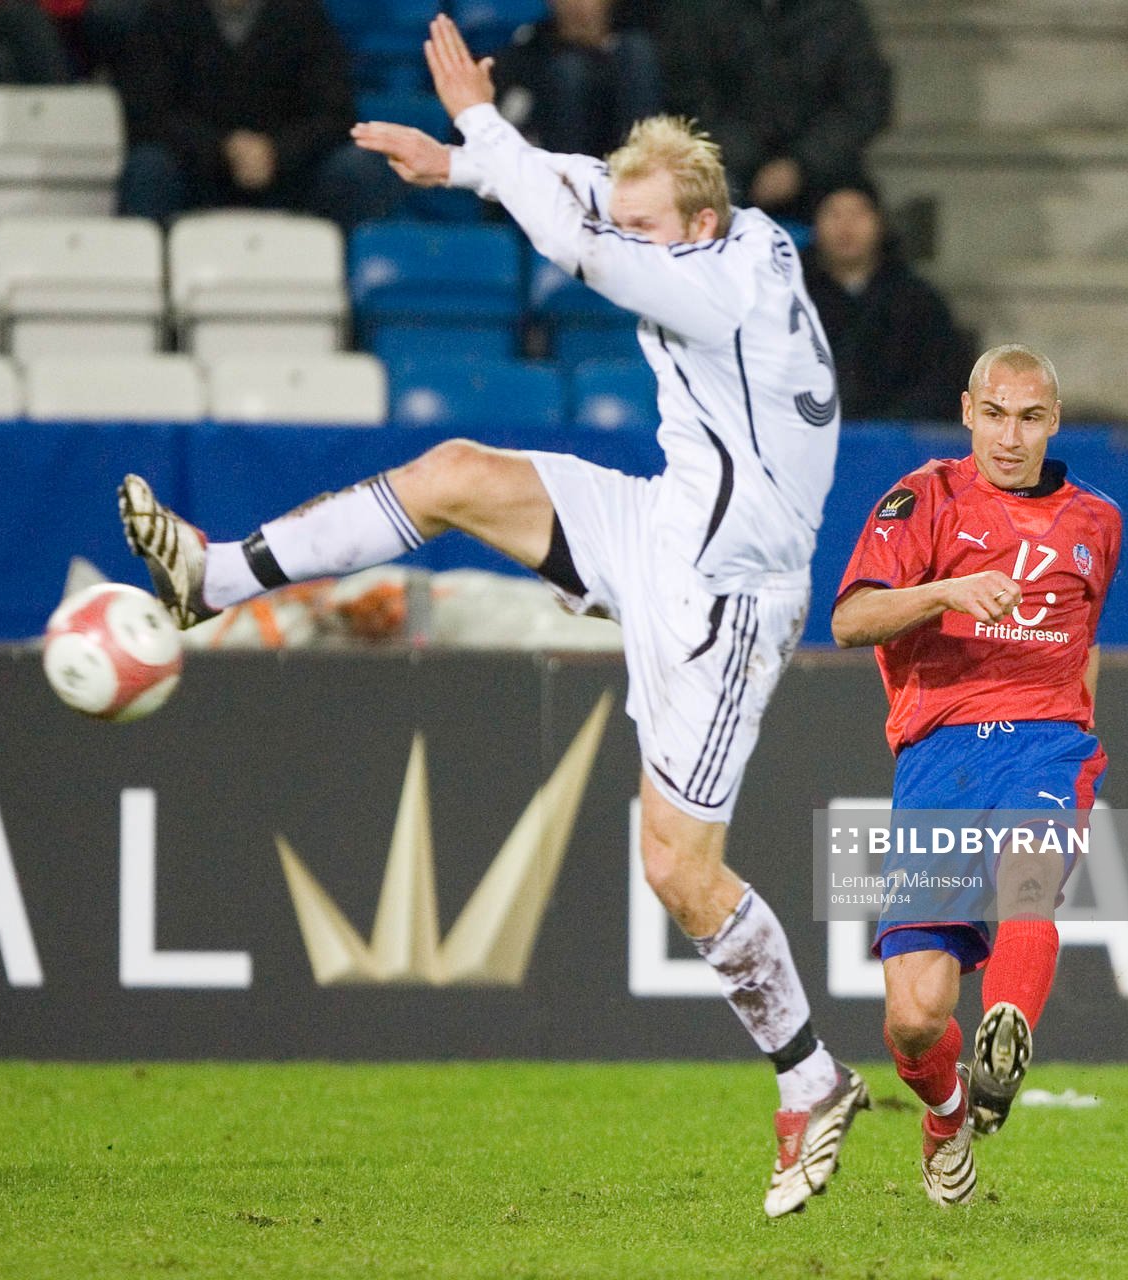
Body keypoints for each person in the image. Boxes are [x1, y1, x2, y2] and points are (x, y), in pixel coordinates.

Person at [119, 13, 866, 1218]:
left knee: (677, 869)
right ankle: (210, 579)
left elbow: (586, 250)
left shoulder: (719, 283)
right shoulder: (735, 226)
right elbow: (592, 194)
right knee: (459, 471)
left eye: (643, 226)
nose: (624, 232)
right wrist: (469, 165)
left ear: (697, 227)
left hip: (727, 594)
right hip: (665, 522)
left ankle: (810, 1074)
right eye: (623, 215)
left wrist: (479, 123)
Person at [831, 344, 1122, 1207]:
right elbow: (851, 618)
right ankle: (948, 1111)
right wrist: (946, 593)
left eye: (1030, 417)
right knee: (915, 1018)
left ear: (1054, 422)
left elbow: (1084, 637)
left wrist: (1075, 729)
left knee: (1032, 879)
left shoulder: (1098, 520)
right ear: (967, 411)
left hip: (1044, 744)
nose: (1010, 434)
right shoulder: (924, 498)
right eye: (995, 413)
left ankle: (1008, 1029)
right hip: (940, 757)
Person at [114, 0, 399, 230]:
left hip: (289, 176)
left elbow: (336, 114)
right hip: (196, 173)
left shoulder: (303, 15)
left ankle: (363, 290)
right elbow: (147, 113)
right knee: (147, 168)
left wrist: (276, 152)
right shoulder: (165, 14)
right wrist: (223, 150)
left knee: (358, 169)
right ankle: (141, 289)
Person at [656, 0, 891, 222]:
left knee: (852, 213)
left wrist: (800, 165)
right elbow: (690, 99)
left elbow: (865, 105)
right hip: (730, 165)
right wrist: (748, 162)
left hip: (822, 170)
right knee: (707, 197)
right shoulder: (703, 10)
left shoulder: (838, 13)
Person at [804, 184, 974, 422]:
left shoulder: (917, 300)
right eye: (834, 214)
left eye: (858, 214)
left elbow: (943, 378)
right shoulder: (791, 299)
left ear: (880, 223)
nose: (845, 227)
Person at [493, 0, 662, 160]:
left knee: (636, 51)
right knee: (568, 70)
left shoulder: (637, 48)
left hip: (629, 171)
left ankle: (645, 174)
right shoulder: (528, 51)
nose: (578, 4)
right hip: (556, 166)